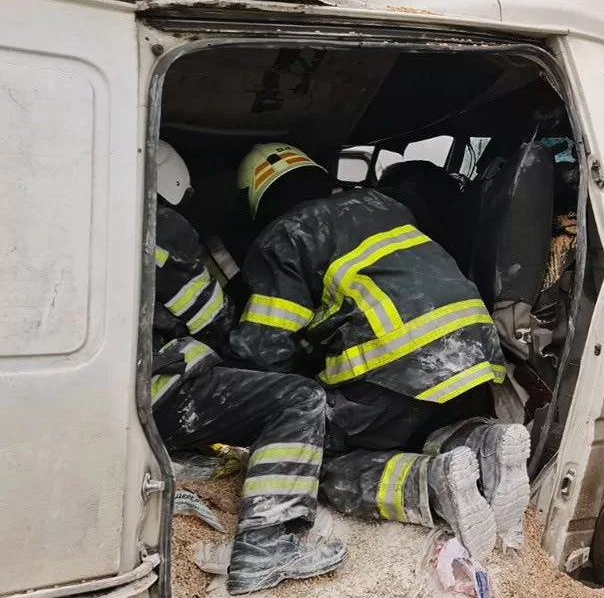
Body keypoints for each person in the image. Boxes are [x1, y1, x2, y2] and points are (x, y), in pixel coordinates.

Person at [228, 143, 530, 558]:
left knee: (319, 460)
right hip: (475, 349)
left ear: (256, 199)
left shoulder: (285, 235)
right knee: (423, 426)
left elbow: (265, 349)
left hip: (401, 361)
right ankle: (486, 443)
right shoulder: (379, 203)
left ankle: (431, 485)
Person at [150, 141, 347, 595]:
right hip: (161, 391)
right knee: (300, 399)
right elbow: (210, 321)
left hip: (122, 394)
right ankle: (265, 547)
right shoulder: (162, 227)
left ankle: (179, 457)